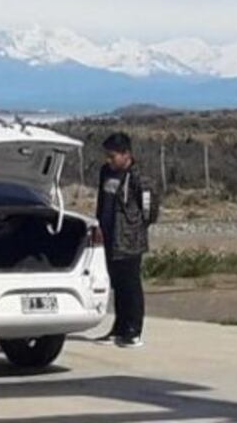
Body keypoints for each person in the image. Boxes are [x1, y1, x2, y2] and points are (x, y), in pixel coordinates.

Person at [93, 132, 158, 348]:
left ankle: (133, 329)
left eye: (113, 156)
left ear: (126, 154)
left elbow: (150, 210)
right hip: (109, 237)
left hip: (130, 241)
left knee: (131, 285)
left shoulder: (140, 177)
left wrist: (134, 227)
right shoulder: (105, 173)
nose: (109, 160)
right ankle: (119, 327)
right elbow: (102, 201)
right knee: (117, 285)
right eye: (107, 156)